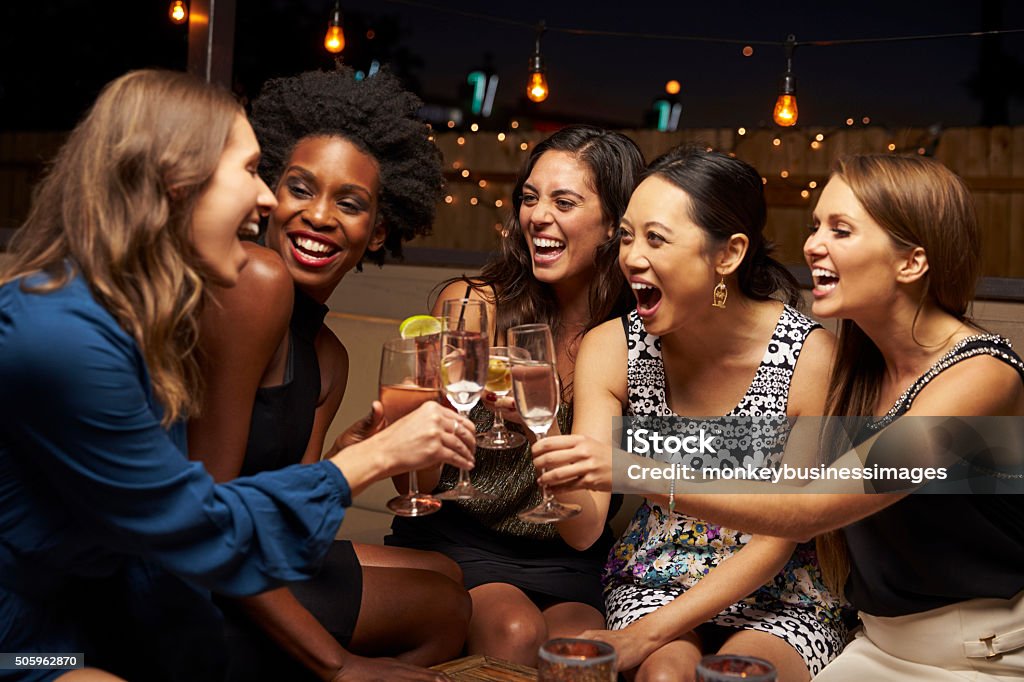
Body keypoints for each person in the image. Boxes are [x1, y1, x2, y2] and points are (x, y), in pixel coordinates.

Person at [0, 69, 475, 682]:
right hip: (31, 646)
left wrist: (350, 457)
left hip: (90, 618)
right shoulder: (61, 338)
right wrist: (373, 460)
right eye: (253, 171)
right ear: (178, 181)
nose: (269, 201)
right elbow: (195, 528)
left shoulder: (133, 321)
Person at [534, 154, 1024, 680]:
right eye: (816, 226)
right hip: (878, 644)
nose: (812, 244)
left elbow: (809, 510)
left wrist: (632, 467)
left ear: (911, 263)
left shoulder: (981, 376)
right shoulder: (863, 368)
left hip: (980, 652)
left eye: (840, 230)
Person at [185, 67, 470, 681]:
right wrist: (339, 664)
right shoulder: (252, 285)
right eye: (300, 189)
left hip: (247, 554)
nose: (319, 216)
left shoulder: (331, 354)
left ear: (379, 230)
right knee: (445, 610)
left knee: (447, 577)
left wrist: (350, 456)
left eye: (349, 203)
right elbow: (200, 523)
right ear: (269, 195)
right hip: (189, 585)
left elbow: (292, 529)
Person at [386, 125, 644, 665]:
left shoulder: (629, 338)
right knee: (514, 630)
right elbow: (422, 480)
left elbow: (584, 529)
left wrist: (539, 428)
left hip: (567, 551)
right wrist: (414, 414)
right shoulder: (475, 306)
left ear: (613, 226)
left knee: (579, 653)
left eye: (564, 201)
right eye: (529, 198)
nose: (538, 216)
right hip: (461, 537)